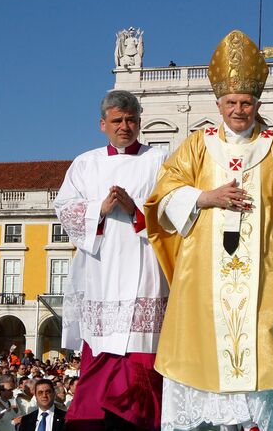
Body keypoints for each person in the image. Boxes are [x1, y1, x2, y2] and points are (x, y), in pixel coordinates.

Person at [145, 30, 273, 431]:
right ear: (218, 104)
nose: (239, 109)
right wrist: (204, 197)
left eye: (246, 102)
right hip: (204, 285)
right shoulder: (197, 145)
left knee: (260, 363)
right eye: (231, 102)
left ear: (257, 103)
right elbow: (162, 199)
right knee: (202, 370)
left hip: (266, 279)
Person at [54, 89, 169, 430]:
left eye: (131, 120)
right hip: (100, 271)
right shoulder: (86, 163)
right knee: (100, 355)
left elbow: (174, 207)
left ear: (139, 123)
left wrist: (136, 210)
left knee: (141, 359)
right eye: (117, 121)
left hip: (144, 264)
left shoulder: (159, 160)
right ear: (102, 124)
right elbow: (64, 209)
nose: (125, 127)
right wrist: (98, 210)